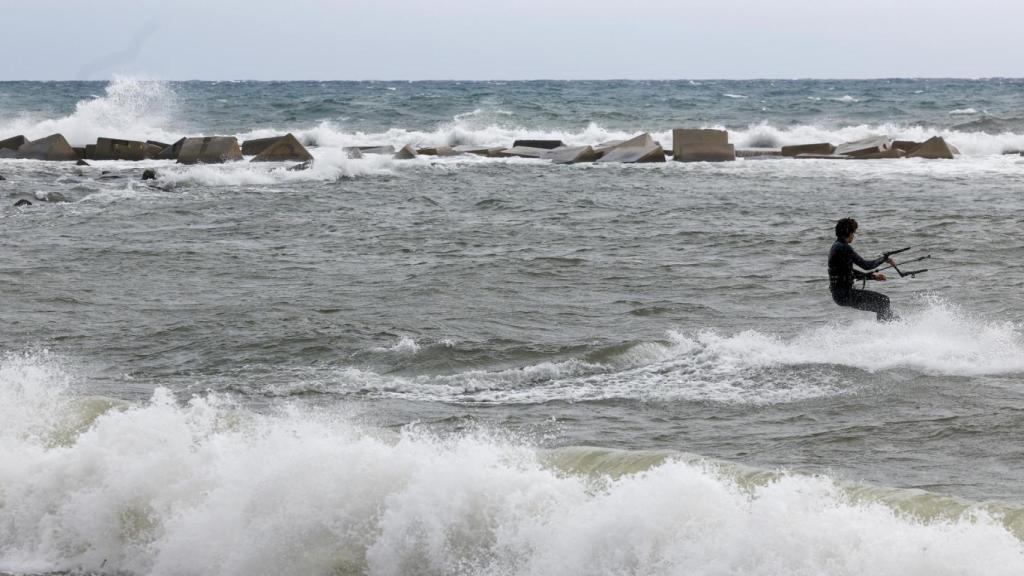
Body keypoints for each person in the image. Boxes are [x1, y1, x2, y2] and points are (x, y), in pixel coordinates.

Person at [828, 218, 896, 321]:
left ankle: (891, 327)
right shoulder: (843, 247)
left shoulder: (836, 247)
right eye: (853, 232)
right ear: (848, 232)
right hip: (845, 294)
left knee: (882, 307)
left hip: (840, 296)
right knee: (884, 301)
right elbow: (866, 265)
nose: (854, 236)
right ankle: (888, 329)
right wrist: (884, 258)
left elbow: (848, 272)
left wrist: (872, 276)